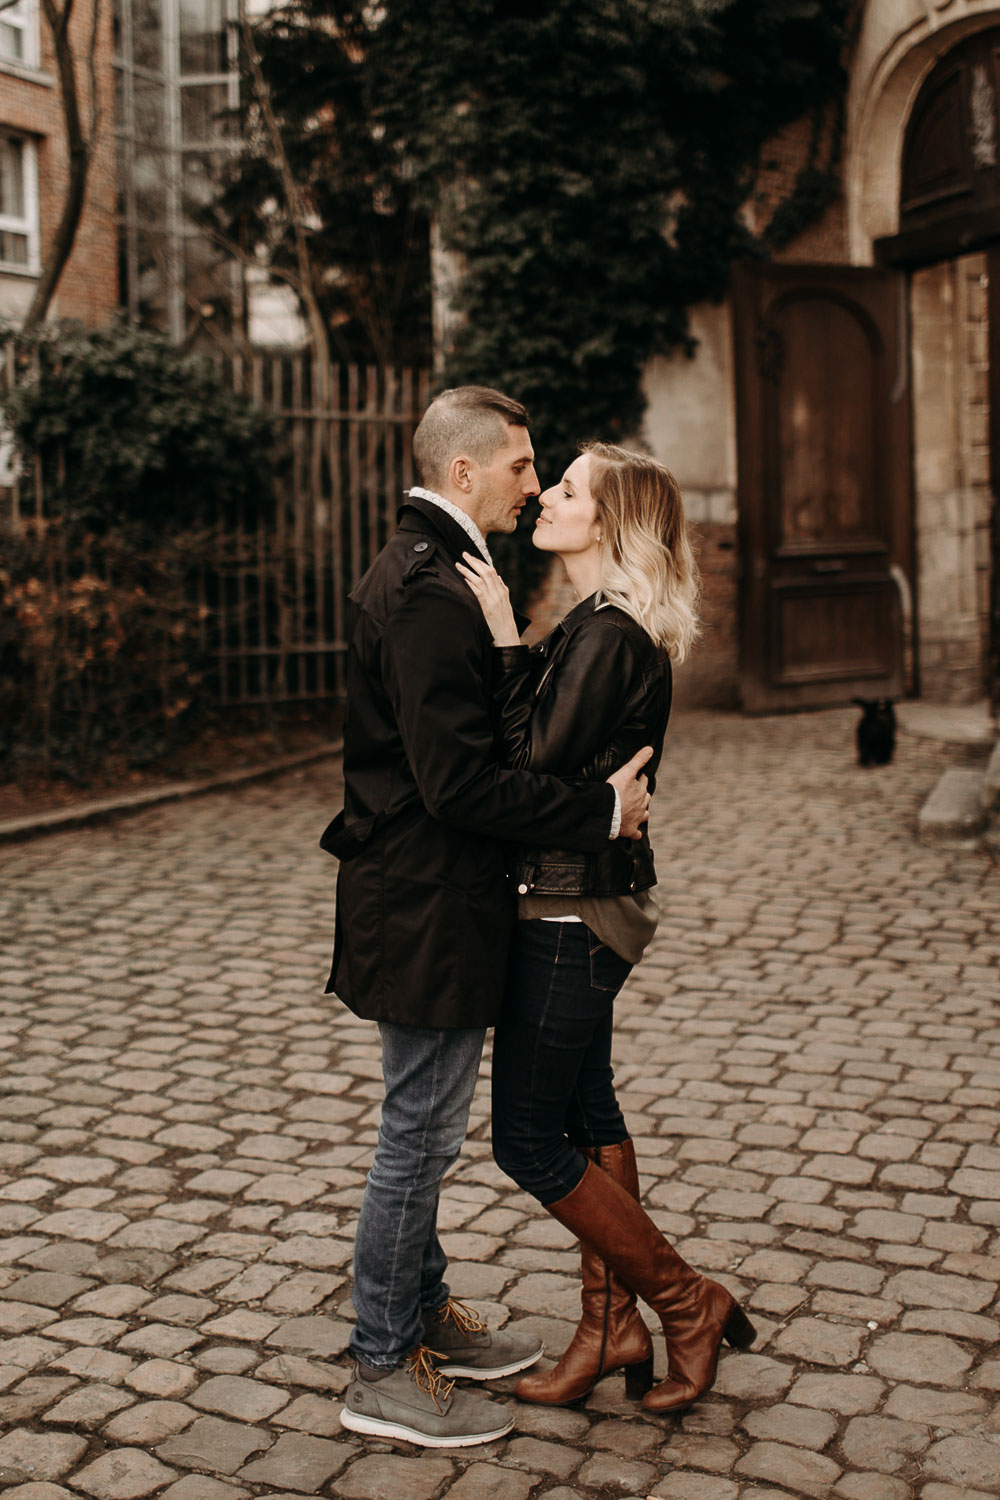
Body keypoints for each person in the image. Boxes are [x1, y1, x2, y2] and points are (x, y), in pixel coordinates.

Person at [321, 388, 654, 1448]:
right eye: (520, 464)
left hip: (438, 899)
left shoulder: (442, 573)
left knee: (423, 1125)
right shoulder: (426, 588)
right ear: (463, 473)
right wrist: (601, 810)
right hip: (424, 902)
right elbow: (459, 785)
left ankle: (422, 1316)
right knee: (416, 1134)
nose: (531, 480)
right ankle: (380, 1364)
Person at [456, 441, 756, 1417]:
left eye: (570, 489)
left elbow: (525, 769)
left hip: (570, 904)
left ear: (610, 523)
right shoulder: (590, 621)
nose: (546, 494)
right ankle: (609, 1327)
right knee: (588, 1116)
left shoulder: (609, 635)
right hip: (581, 894)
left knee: (528, 1140)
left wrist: (501, 631)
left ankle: (683, 1299)